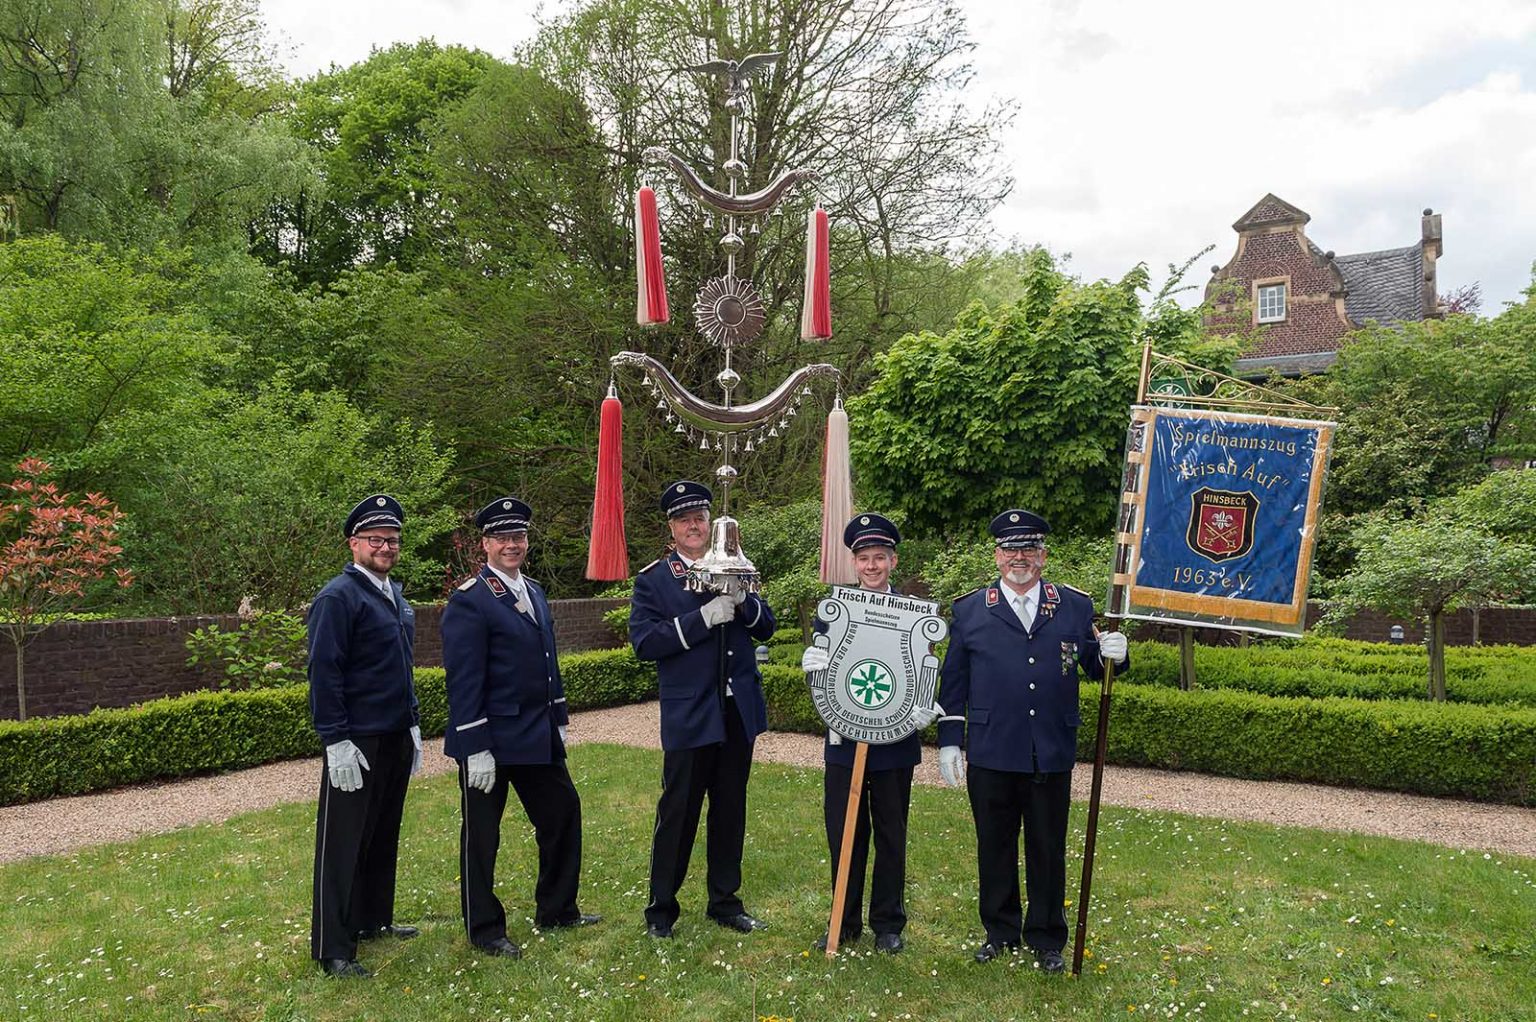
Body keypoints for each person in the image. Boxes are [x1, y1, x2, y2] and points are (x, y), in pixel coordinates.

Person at [935, 509, 1129, 973]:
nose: (1018, 557)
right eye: (1010, 549)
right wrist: (949, 740)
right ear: (997, 556)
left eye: (1028, 549)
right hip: (992, 748)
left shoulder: (1075, 607)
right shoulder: (969, 610)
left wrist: (1115, 657)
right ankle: (1000, 931)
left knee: (1047, 845)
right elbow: (954, 681)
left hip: (1050, 749)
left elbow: (1093, 665)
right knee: (994, 844)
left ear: (1043, 556)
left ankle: (1046, 938)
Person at [441, 497, 600, 960]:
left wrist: (559, 716)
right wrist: (475, 745)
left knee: (563, 814)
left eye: (519, 537)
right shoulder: (470, 600)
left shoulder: (532, 590)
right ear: (485, 544)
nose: (512, 545)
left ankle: (557, 909)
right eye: (503, 538)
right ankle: (485, 928)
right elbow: (464, 678)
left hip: (535, 733)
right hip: (491, 738)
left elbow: (548, 663)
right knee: (482, 837)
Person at [630, 480, 778, 938]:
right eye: (684, 520)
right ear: (671, 527)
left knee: (730, 808)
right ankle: (661, 910)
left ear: (711, 523)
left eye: (699, 518)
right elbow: (645, 642)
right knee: (679, 811)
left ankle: (725, 901)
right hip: (691, 712)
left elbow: (768, 627)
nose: (693, 526)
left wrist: (743, 601)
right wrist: (700, 619)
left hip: (736, 709)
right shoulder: (654, 579)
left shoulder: (737, 564)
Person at [800, 513, 940, 954]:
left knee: (891, 834)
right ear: (854, 563)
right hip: (844, 742)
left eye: (880, 557)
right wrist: (813, 674)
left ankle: (887, 924)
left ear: (894, 560)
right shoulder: (835, 612)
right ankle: (843, 919)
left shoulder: (915, 616)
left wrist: (924, 704)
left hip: (895, 744)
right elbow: (829, 675)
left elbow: (921, 669)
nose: (872, 566)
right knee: (844, 834)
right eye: (864, 558)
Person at [306, 493, 423, 979]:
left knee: (381, 832)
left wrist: (412, 722)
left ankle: (373, 919)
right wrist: (335, 739)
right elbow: (324, 671)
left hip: (394, 733)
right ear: (354, 543)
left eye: (392, 540)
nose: (386, 547)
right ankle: (333, 947)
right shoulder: (339, 596)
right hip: (356, 740)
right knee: (343, 841)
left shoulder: (393, 594)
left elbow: (400, 668)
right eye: (376, 539)